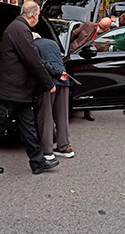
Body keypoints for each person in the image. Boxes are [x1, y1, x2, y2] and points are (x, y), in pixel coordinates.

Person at [0, 1, 59, 175]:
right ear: (35, 15)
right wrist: (48, 83)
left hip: (18, 89)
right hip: (12, 89)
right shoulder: (20, 30)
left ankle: (37, 162)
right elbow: (32, 60)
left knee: (28, 126)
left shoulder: (17, 28)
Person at [33, 33, 73, 161]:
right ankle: (65, 147)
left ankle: (47, 151)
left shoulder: (33, 46)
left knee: (46, 116)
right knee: (62, 115)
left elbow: (40, 64)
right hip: (64, 80)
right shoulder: (53, 43)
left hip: (48, 83)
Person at [68, 17, 112, 121]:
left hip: (89, 60)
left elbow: (104, 49)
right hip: (74, 56)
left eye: (102, 27)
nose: (99, 27)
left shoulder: (107, 36)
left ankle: (87, 110)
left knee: (88, 84)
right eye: (99, 25)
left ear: (107, 29)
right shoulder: (88, 25)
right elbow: (73, 34)